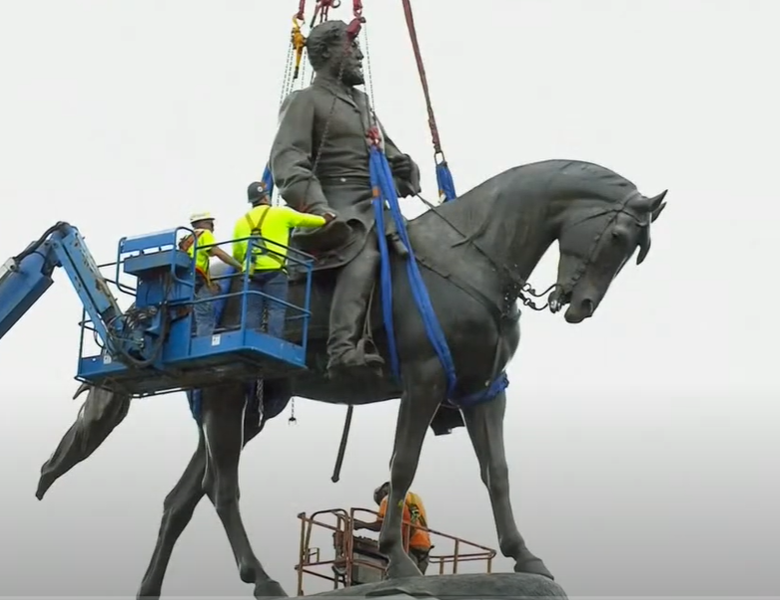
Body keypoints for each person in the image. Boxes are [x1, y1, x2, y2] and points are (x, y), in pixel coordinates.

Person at [269, 19, 421, 381]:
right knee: (365, 254)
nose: (360, 55)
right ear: (326, 52)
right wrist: (316, 207)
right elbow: (288, 160)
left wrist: (405, 168)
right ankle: (343, 348)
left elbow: (392, 161)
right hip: (335, 210)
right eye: (351, 47)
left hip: (376, 208)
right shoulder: (305, 101)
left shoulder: (363, 104)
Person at [232, 181, 333, 338]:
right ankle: (274, 340)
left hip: (250, 273)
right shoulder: (281, 213)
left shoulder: (240, 222)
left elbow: (237, 253)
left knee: (251, 310)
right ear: (266, 198)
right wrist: (324, 219)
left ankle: (249, 339)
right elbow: (305, 220)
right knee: (276, 308)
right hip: (275, 270)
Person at [179, 212, 243, 337]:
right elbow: (218, 252)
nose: (213, 228)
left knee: (191, 313)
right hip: (196, 278)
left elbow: (198, 261)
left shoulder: (188, 238)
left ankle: (191, 339)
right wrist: (239, 266)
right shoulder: (204, 234)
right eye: (211, 224)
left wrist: (210, 284)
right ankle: (204, 342)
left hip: (185, 279)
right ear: (203, 223)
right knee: (205, 316)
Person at [353, 481, 433, 574]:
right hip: (424, 546)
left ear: (382, 493)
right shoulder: (414, 497)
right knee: (417, 581)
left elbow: (381, 524)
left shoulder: (388, 499)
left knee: (404, 579)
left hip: (409, 546)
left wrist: (362, 525)